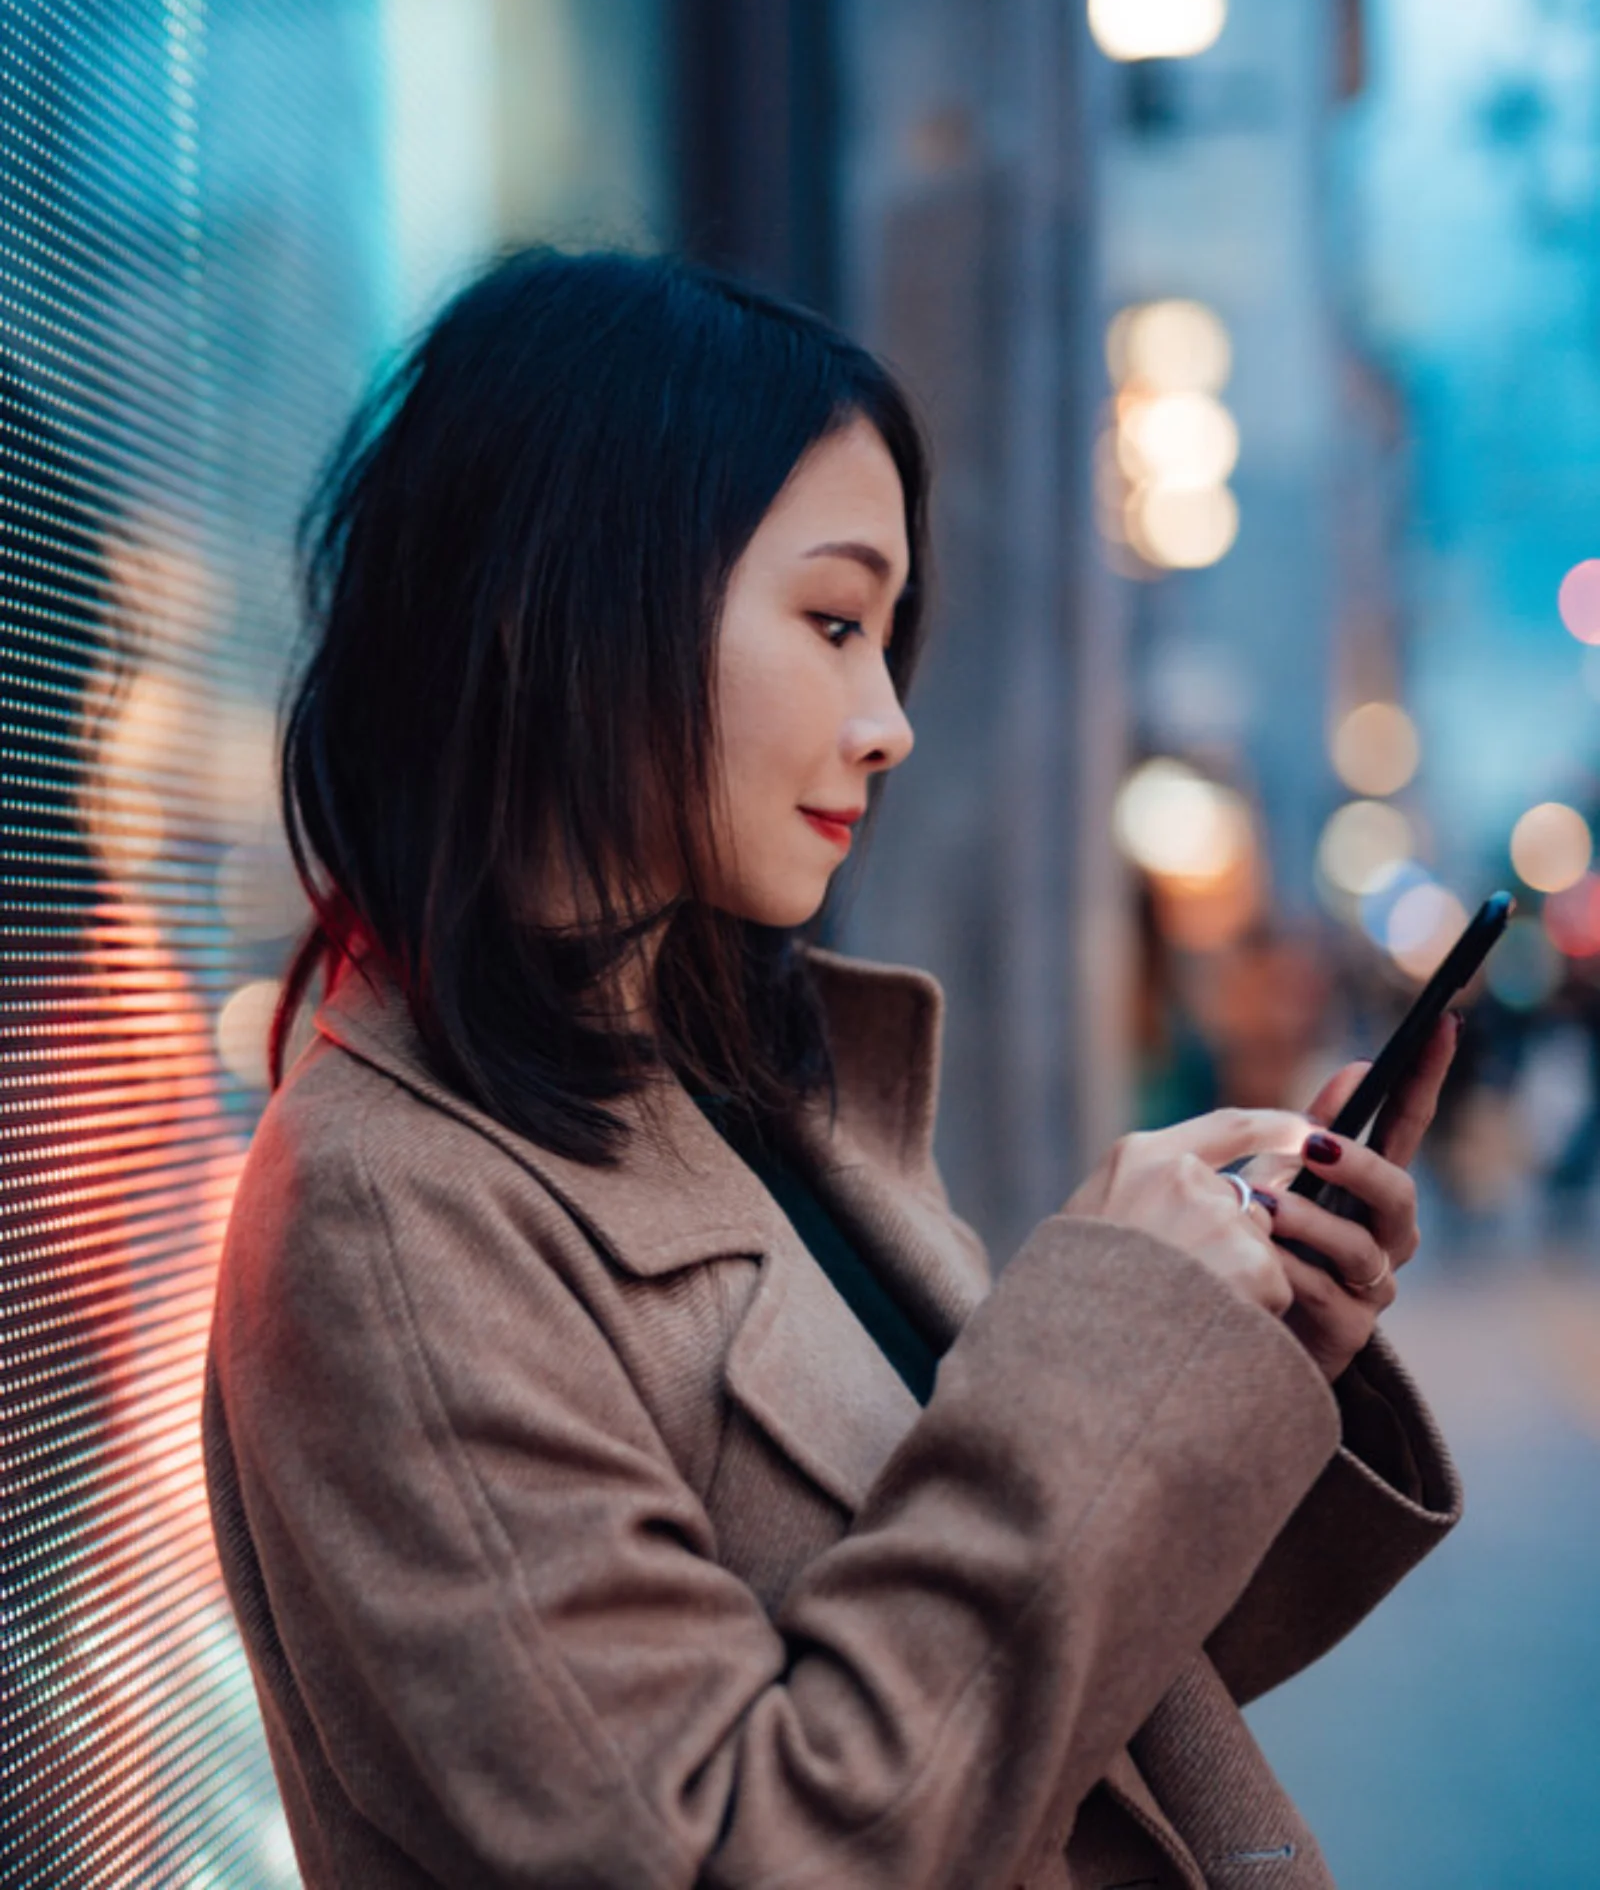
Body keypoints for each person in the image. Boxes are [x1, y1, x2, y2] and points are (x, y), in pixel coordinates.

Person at [203, 249, 1462, 1889]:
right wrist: (1112, 1341)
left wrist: (1233, 1346)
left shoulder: (744, 1084)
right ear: (576, 598)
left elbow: (1044, 1707)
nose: (889, 719)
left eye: (887, 637)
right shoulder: (386, 1215)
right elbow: (750, 1853)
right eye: (831, 620)